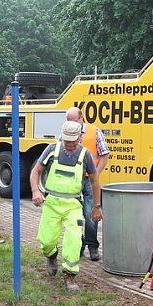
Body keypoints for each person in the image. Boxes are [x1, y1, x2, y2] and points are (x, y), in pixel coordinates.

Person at [29, 120, 103, 291]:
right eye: (67, 142)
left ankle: (70, 276)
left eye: (73, 142)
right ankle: (51, 255)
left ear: (80, 138)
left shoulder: (85, 155)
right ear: (62, 138)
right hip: (52, 203)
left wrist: (96, 206)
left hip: (73, 205)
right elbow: (36, 171)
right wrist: (35, 191)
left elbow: (94, 180)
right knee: (47, 240)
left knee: (74, 240)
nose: (70, 145)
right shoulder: (51, 150)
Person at [65, 106, 110, 261]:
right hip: (73, 181)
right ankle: (78, 245)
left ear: (81, 118)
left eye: (73, 121)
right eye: (68, 121)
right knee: (74, 215)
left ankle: (92, 246)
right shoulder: (65, 134)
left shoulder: (94, 131)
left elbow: (104, 154)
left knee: (91, 213)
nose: (71, 124)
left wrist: (95, 173)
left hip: (89, 180)